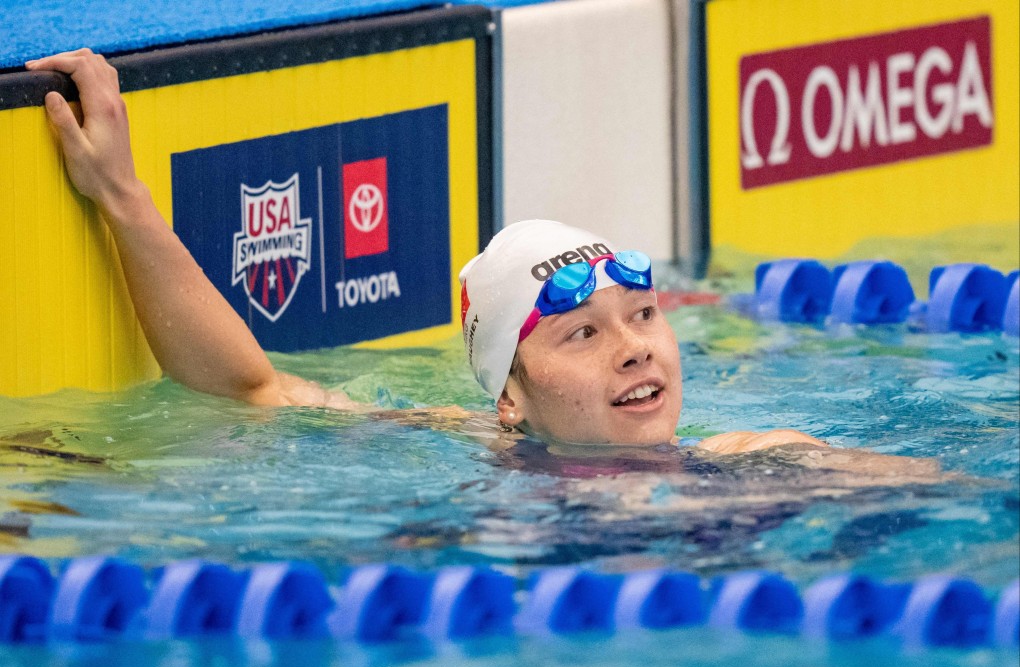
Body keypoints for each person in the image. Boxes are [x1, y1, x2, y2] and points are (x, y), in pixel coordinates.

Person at [21, 49, 834, 454]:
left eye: (644, 315)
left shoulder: (759, 464)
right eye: (582, 332)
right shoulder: (468, 447)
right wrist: (121, 197)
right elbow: (252, 385)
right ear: (508, 399)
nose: (635, 351)